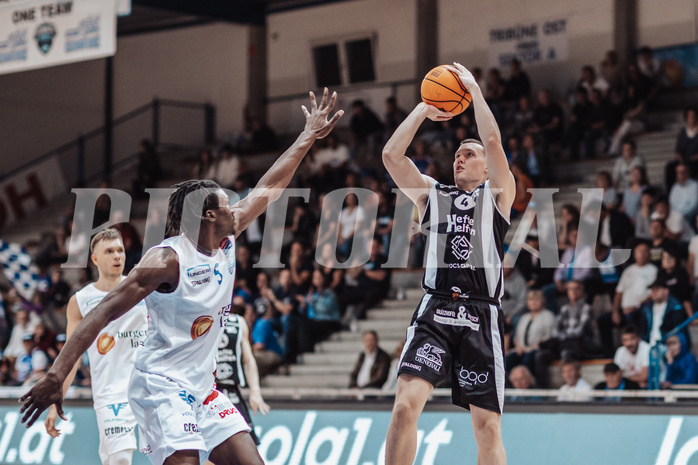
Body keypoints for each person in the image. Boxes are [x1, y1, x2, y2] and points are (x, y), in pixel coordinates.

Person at [21, 89, 343, 465]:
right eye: (226, 203)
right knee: (186, 460)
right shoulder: (166, 260)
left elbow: (271, 186)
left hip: (203, 386)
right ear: (208, 215)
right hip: (160, 384)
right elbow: (104, 309)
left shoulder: (227, 232)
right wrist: (57, 375)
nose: (235, 207)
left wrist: (307, 135)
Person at [382, 62, 515, 465]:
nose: (461, 158)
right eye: (457, 153)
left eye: (469, 154)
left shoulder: (497, 194)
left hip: (481, 313)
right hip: (436, 310)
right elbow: (391, 155)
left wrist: (473, 91)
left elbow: (491, 138)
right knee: (405, 407)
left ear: (487, 167)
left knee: (488, 428)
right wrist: (424, 108)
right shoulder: (431, 194)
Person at [45, 228, 148, 465]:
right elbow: (71, 357)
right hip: (111, 393)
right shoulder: (80, 301)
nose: (117, 256)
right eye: (109, 251)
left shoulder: (142, 287)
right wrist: (55, 399)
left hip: (149, 386)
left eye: (120, 250)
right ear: (95, 259)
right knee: (120, 460)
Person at [216, 304, 271, 446]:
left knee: (249, 449)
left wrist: (255, 391)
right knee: (212, 451)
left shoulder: (238, 322)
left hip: (232, 392)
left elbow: (248, 359)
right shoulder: (194, 319)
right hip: (206, 392)